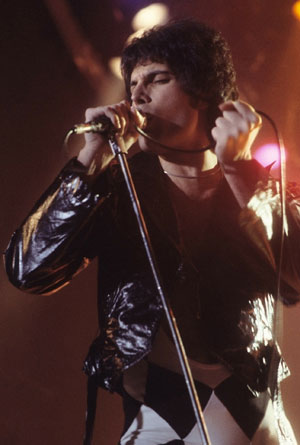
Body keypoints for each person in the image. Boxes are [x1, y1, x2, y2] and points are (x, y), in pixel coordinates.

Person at [4, 19, 300, 445]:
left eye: (157, 79)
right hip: (158, 426)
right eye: (133, 84)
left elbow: (293, 280)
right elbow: (27, 269)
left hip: (262, 427)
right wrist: (89, 161)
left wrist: (240, 170)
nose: (137, 96)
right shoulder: (115, 190)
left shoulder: (264, 188)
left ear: (205, 91)